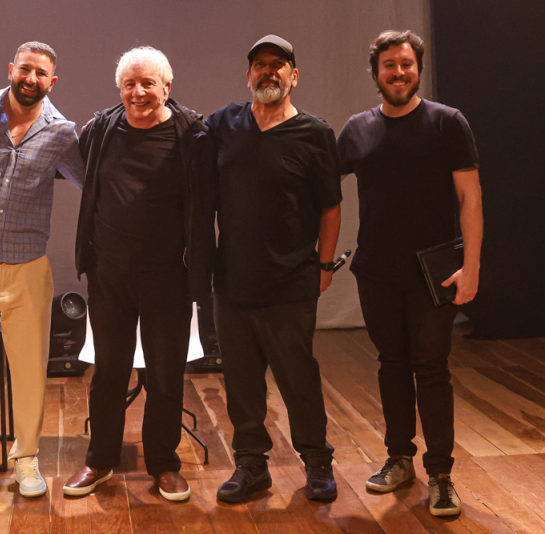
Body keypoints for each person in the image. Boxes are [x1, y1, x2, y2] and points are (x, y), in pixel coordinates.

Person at [338, 30, 482, 517]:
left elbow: (471, 199)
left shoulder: (447, 124)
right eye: (389, 66)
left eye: (406, 65)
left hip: (434, 271)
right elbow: (320, 188)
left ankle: (441, 475)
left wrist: (472, 266)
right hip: (377, 269)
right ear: (375, 73)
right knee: (391, 365)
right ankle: (399, 458)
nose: (398, 73)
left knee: (432, 367)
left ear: (417, 69)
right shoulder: (356, 129)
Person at [63, 46, 215, 501]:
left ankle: (164, 465)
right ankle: (99, 462)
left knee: (167, 375)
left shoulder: (193, 135)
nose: (138, 92)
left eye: (148, 83)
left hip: (169, 276)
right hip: (109, 276)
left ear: (167, 87)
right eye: (129, 84)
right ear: (119, 90)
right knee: (109, 372)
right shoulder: (100, 131)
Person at [206, 35, 341, 504]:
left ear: (293, 76)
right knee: (241, 383)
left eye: (278, 65)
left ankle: (317, 462)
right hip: (233, 281)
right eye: (259, 65)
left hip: (291, 282)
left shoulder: (314, 133)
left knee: (298, 379)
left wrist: (324, 266)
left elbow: (330, 207)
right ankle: (251, 465)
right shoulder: (225, 123)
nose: (268, 72)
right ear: (249, 76)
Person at [0, 41, 84, 500]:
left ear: (52, 81)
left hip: (27, 269)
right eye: (25, 68)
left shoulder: (62, 133)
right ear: (11, 69)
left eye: (41, 73)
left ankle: (28, 461)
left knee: (29, 371)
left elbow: (94, 182)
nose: (31, 78)